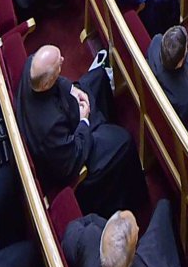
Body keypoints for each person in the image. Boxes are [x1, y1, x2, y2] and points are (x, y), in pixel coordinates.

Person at [15, 44, 147, 217]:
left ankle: (103, 125)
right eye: (59, 65)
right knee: (123, 141)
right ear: (47, 82)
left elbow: (56, 82)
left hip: (63, 113)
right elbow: (73, 158)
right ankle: (135, 198)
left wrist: (72, 89)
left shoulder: (32, 66)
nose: (63, 60)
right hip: (71, 152)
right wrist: (84, 120)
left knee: (98, 77)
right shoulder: (49, 127)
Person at [62, 200, 181, 267]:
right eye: (135, 238)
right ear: (129, 263)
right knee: (164, 206)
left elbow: (70, 233)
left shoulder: (89, 238)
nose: (138, 228)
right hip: (151, 261)